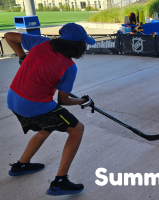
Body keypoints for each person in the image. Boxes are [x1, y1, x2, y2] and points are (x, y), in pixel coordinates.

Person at [4, 23, 96, 196]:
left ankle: (21, 165)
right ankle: (60, 181)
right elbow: (63, 100)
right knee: (77, 129)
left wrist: (22, 57)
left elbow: (9, 36)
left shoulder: (40, 42)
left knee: (47, 126)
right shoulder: (69, 67)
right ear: (77, 46)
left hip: (13, 98)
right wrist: (83, 100)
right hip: (33, 104)